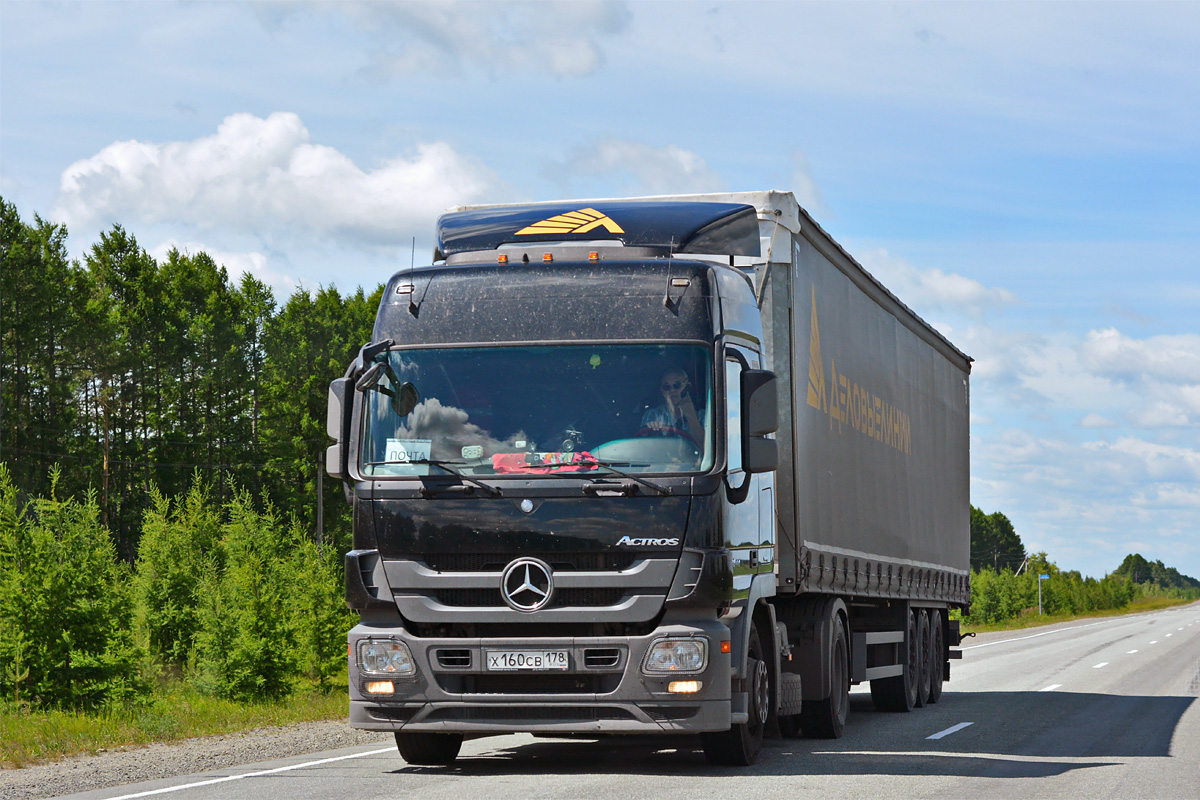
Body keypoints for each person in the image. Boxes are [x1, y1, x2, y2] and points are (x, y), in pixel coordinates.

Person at [641, 368, 703, 442]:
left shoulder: (702, 415)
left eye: (677, 385)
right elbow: (644, 445)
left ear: (688, 387)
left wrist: (690, 414)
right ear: (662, 390)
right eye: (666, 387)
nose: (672, 390)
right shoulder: (653, 414)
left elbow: (704, 446)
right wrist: (650, 430)